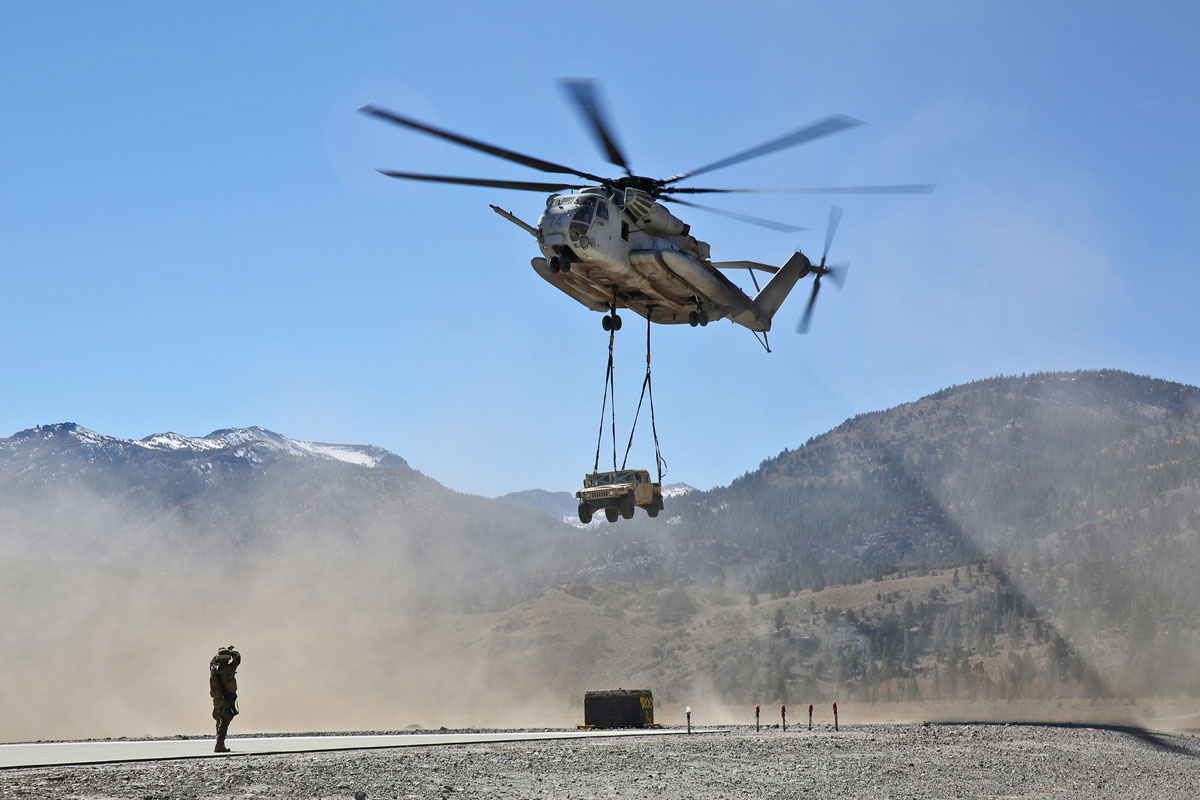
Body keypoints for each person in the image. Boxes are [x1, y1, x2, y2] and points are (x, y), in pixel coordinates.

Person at [209, 646, 241, 752]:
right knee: (225, 720)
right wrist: (231, 651)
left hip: (217, 699)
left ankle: (219, 743)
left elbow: (212, 661)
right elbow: (238, 658)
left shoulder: (213, 668)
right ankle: (219, 744)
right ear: (227, 658)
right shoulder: (229, 669)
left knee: (219, 720)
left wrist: (219, 653)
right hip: (227, 699)